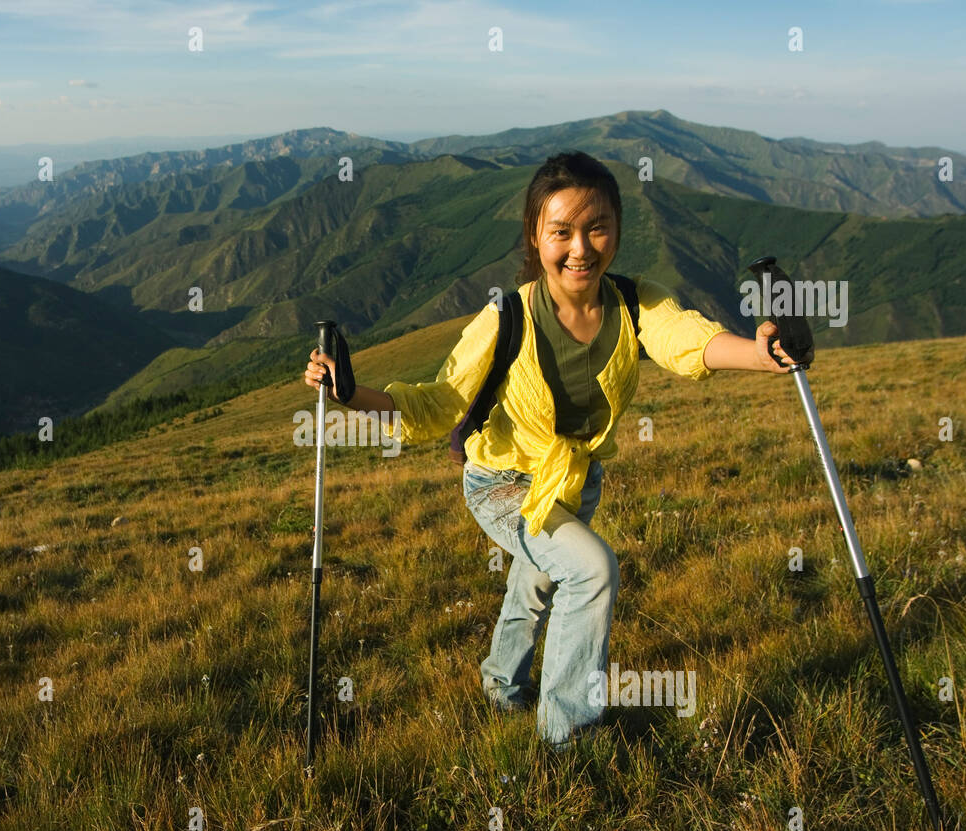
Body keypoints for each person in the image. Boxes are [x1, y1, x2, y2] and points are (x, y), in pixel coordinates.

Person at [302, 151, 814, 752]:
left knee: (539, 578)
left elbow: (687, 341)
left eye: (596, 228)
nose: (581, 248)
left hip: (573, 480)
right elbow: (440, 404)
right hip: (500, 483)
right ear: (535, 236)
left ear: (618, 229)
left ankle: (499, 685)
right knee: (592, 569)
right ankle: (563, 741)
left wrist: (763, 354)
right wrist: (351, 395)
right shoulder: (507, 317)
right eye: (561, 232)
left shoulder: (633, 302)